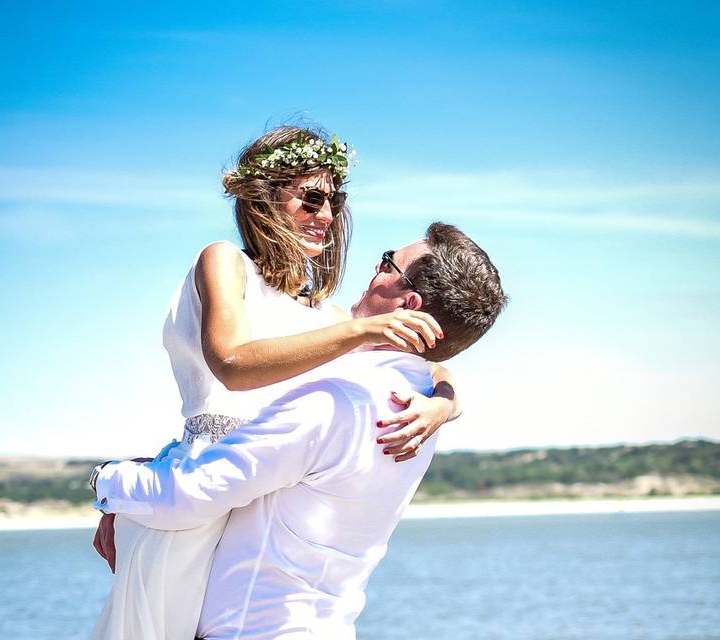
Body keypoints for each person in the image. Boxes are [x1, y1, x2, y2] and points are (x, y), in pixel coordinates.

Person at [89, 127, 462, 639]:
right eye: (311, 199)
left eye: (335, 201)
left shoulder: (327, 317)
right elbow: (233, 364)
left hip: (262, 502)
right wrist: (124, 497)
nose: (326, 217)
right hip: (193, 498)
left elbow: (434, 365)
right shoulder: (226, 263)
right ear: (265, 196)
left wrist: (443, 405)